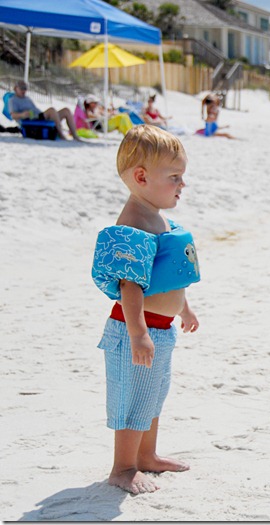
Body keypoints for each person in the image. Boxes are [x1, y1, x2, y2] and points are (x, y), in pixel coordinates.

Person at [91, 125, 200, 494]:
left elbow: (167, 276)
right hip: (134, 330)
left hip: (160, 328)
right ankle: (123, 467)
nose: (181, 185)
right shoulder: (135, 224)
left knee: (154, 395)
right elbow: (130, 287)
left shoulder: (160, 219)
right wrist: (138, 334)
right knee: (133, 398)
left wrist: (183, 308)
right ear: (141, 177)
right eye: (174, 177)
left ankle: (147, 456)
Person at [7, 80, 81, 141]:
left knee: (66, 111)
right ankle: (61, 135)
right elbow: (13, 115)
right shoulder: (13, 100)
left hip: (39, 116)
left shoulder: (27, 98)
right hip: (31, 120)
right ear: (16, 88)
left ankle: (75, 136)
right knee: (51, 110)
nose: (24, 90)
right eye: (21, 88)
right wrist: (22, 115)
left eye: (25, 88)